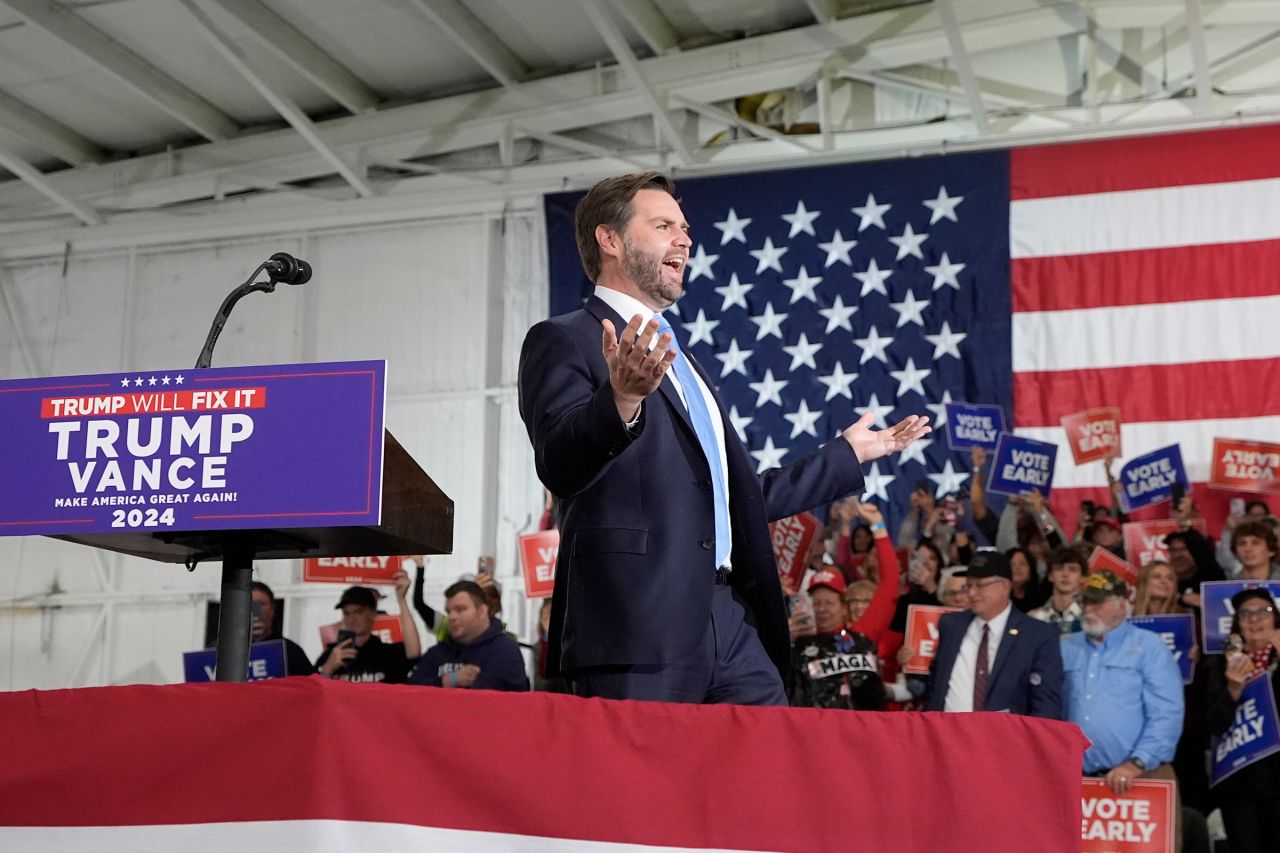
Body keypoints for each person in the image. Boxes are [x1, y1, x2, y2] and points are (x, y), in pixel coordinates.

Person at [517, 171, 929, 704]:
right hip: (636, 625)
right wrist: (619, 400)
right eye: (664, 225)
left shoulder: (686, 362)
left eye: (685, 227)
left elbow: (735, 497)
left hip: (730, 620)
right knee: (645, 790)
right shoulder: (563, 339)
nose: (685, 239)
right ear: (610, 239)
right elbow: (558, 463)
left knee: (766, 775)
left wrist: (846, 456)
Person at [1062, 569, 1189, 851]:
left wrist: (1137, 763)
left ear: (1123, 604)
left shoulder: (1149, 647)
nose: (1089, 609)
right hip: (1081, 782)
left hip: (1142, 778)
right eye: (1086, 601)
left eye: (1099, 601)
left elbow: (1167, 713)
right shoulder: (1066, 648)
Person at [923, 550, 1063, 718]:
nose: (972, 593)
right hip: (947, 736)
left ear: (1004, 586)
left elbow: (1045, 705)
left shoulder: (1037, 635)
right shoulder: (951, 625)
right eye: (969, 585)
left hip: (1005, 740)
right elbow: (935, 684)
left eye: (980, 585)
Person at [1205, 589, 1280, 852]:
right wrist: (1233, 692)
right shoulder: (1221, 665)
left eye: (1263, 611)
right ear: (1237, 623)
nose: (1254, 619)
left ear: (1276, 620)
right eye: (1245, 614)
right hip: (1240, 782)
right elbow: (1214, 725)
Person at [786, 568, 884, 710]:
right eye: (817, 603)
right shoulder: (799, 646)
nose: (822, 609)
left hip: (863, 727)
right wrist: (785, 641)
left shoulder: (862, 643)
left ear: (844, 607)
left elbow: (877, 695)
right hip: (818, 727)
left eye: (829, 603)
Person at [409, 581, 529, 692]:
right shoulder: (437, 653)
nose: (452, 617)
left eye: (460, 609)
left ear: (482, 611)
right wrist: (447, 681)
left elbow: (511, 700)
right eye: (449, 611)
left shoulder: (505, 650)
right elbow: (410, 691)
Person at [315, 578, 421, 683]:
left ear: (372, 614)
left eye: (358, 612)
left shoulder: (386, 654)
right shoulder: (332, 655)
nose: (351, 619)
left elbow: (413, 653)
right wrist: (327, 669)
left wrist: (401, 599)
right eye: (346, 613)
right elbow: (312, 692)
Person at [250, 581, 314, 676]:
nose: (255, 610)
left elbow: (310, 685)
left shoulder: (290, 650)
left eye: (261, 604)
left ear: (272, 609)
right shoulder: (225, 651)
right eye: (250, 604)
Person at [1028, 545, 1086, 635]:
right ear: (1050, 576)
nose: (1065, 574)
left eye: (1072, 569)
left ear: (1083, 578)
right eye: (1059, 568)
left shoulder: (1090, 616)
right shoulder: (1034, 618)